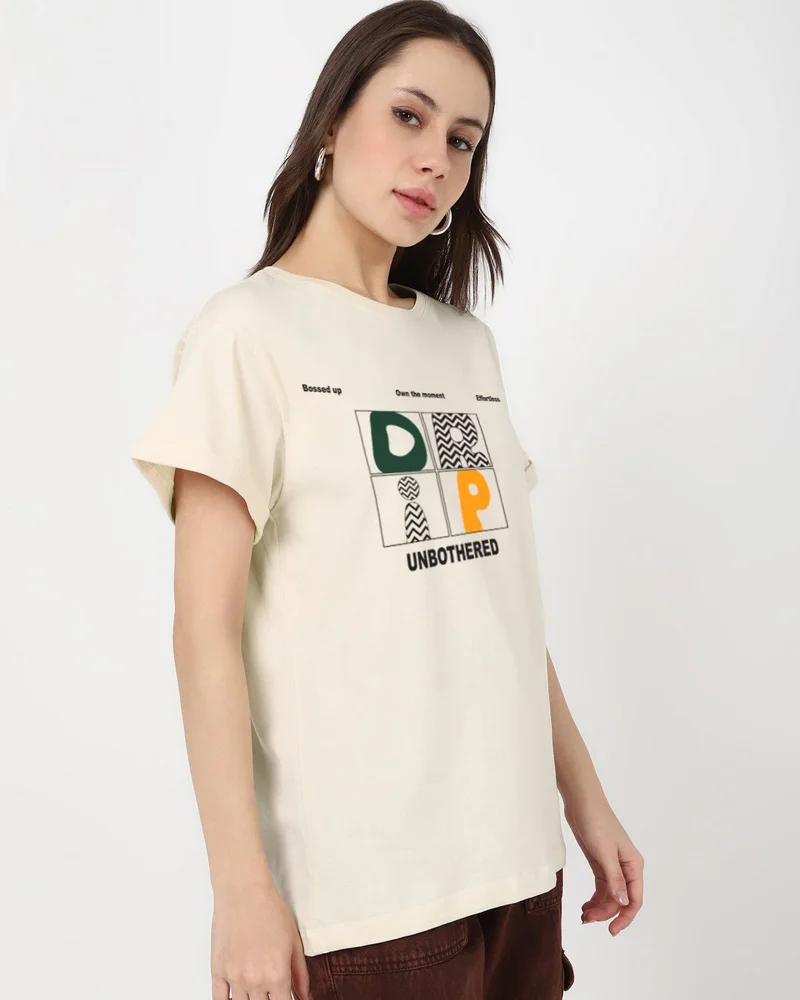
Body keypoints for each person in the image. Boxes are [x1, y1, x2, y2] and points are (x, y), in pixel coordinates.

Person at [130, 2, 644, 998]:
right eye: (409, 116)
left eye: (463, 140)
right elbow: (203, 633)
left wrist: (585, 801)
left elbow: (497, 607)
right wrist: (240, 890)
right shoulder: (246, 335)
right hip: (370, 901)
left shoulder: (465, 349)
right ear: (332, 120)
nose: (435, 160)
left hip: (519, 872)